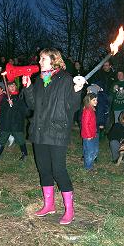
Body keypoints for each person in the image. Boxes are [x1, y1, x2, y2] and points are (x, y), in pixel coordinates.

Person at [22, 48, 84, 225]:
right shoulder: (40, 80)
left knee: (59, 170)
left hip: (57, 131)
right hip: (39, 132)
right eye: (40, 59)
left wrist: (77, 89)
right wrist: (27, 88)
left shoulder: (65, 79)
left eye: (43, 59)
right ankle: (49, 205)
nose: (39, 62)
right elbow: (33, 104)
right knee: (44, 169)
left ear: (54, 60)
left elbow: (72, 106)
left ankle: (69, 210)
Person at [0, 81, 28, 162]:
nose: (12, 87)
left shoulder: (20, 96)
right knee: (2, 140)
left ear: (16, 86)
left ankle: (25, 154)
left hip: (16, 123)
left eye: (13, 86)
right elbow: (2, 109)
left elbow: (24, 110)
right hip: (6, 123)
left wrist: (14, 104)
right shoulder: (5, 97)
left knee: (20, 139)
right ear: (7, 88)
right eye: (10, 86)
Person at [81, 93, 99, 171]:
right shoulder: (88, 110)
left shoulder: (91, 110)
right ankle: (88, 167)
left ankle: (89, 164)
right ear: (89, 101)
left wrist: (94, 133)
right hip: (88, 136)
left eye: (96, 100)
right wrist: (88, 135)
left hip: (93, 134)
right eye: (94, 100)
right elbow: (85, 124)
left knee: (92, 150)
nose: (96, 101)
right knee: (90, 151)